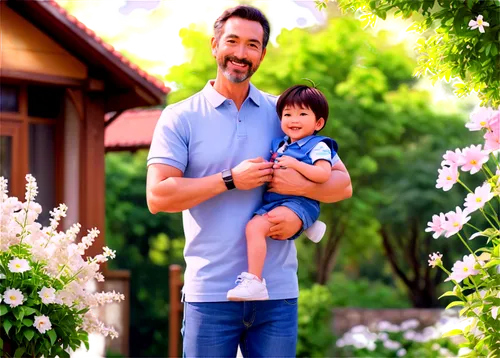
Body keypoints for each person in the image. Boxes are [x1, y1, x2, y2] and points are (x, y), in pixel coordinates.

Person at [146, 5, 352, 358]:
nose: (241, 54)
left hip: (277, 293)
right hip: (209, 294)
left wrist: (298, 195)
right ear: (214, 45)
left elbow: (342, 184)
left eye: (252, 45)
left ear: (262, 54)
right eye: (233, 41)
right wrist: (229, 180)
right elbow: (158, 196)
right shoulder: (179, 118)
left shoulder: (285, 114)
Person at [226, 84, 338, 301]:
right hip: (277, 201)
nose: (294, 119)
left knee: (254, 228)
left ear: (319, 123)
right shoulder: (282, 144)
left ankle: (255, 281)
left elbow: (324, 174)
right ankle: (310, 226)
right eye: (288, 114)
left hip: (297, 203)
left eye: (302, 114)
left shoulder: (318, 146)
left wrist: (296, 165)